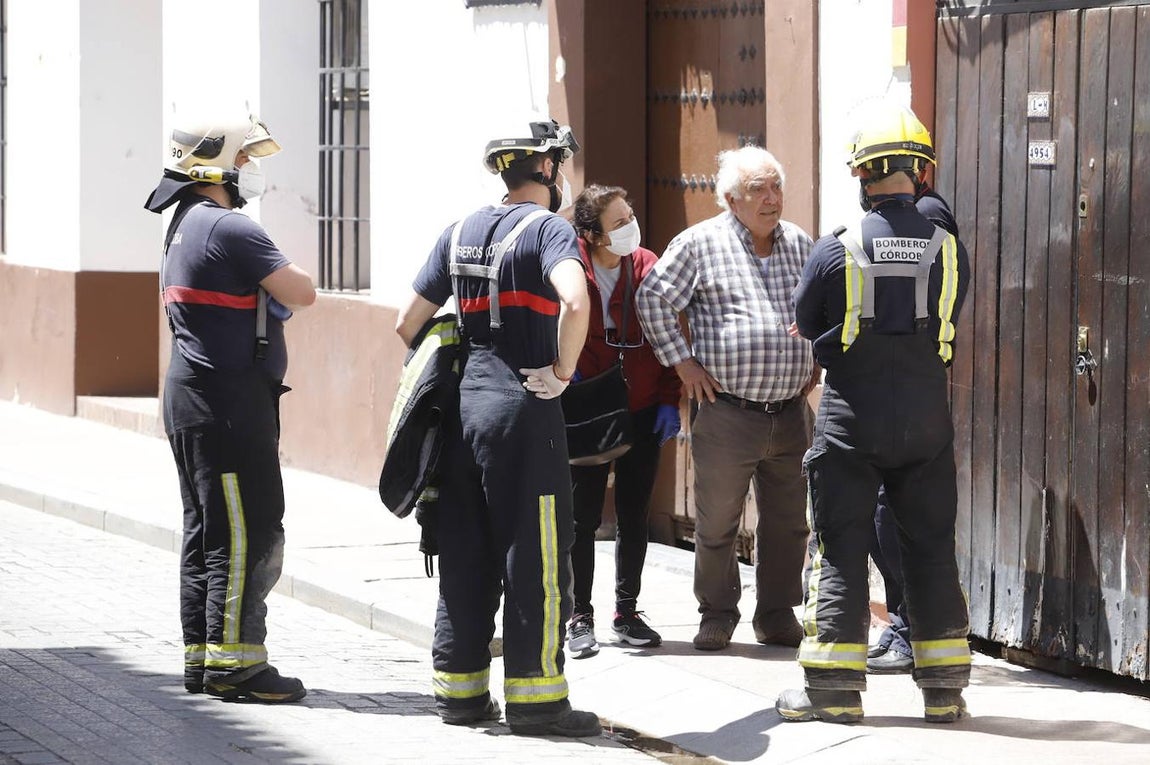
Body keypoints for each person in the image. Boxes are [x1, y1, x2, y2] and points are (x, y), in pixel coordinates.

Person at [394, 119, 601, 738]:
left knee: (463, 547)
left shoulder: (459, 231)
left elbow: (408, 323)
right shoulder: (548, 229)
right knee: (534, 551)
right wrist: (561, 372)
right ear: (549, 169)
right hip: (522, 407)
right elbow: (575, 299)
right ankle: (538, 703)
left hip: (461, 411)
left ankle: (459, 696)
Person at [779, 105, 972, 724]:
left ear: (862, 178)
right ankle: (944, 692)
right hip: (925, 417)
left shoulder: (836, 247)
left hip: (851, 417)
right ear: (920, 171)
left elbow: (807, 320)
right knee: (931, 548)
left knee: (839, 548)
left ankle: (833, 694)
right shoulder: (948, 249)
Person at [144, 111, 316, 702]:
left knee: (206, 530)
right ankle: (237, 666)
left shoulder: (183, 223)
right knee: (246, 532)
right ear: (211, 166)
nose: (248, 170)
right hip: (228, 403)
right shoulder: (229, 228)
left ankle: (203, 657)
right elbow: (304, 291)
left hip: (193, 397)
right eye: (242, 159)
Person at [636, 146, 817, 652]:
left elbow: (823, 303)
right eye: (759, 189)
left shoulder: (800, 243)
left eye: (776, 186)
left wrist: (815, 360)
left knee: (788, 523)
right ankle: (717, 613)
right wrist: (682, 361)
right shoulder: (700, 243)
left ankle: (777, 614)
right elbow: (652, 296)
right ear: (732, 198)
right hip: (728, 412)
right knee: (717, 521)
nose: (771, 198)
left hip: (790, 412)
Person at [564, 185, 683, 658]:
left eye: (630, 216)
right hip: (588, 406)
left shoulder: (646, 265)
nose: (630, 226)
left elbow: (668, 333)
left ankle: (627, 612)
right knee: (583, 518)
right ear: (592, 235)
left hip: (643, 407)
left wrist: (670, 399)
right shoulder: (571, 267)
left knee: (635, 514)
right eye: (618, 222)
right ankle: (579, 616)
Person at [867, 175, 961, 676]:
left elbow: (920, 302)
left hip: (905, 395)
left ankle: (912, 631)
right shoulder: (901, 213)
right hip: (892, 393)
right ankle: (905, 626)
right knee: (882, 518)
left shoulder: (926, 217)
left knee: (899, 520)